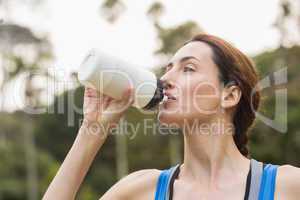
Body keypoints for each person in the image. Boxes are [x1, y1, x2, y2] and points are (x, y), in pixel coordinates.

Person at [43, 34, 300, 200]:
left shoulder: (287, 186)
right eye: (167, 69)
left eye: (188, 69)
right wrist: (91, 131)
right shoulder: (140, 190)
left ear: (230, 95)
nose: (165, 79)